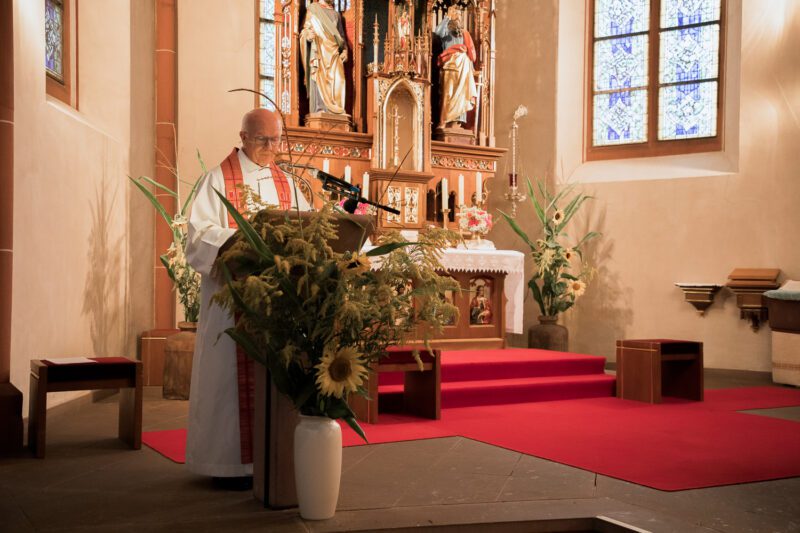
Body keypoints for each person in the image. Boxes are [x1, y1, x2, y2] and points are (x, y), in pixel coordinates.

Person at [185, 109, 311, 489]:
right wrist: (238, 242)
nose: (270, 148)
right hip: (233, 301)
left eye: (276, 140)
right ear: (242, 136)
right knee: (228, 378)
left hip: (278, 303)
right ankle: (227, 466)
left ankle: (272, 458)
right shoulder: (218, 181)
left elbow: (310, 230)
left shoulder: (288, 184)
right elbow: (197, 236)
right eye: (262, 140)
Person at [299, 0, 348, 115]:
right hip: (319, 51)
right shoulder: (313, 9)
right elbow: (305, 30)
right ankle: (320, 109)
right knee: (318, 77)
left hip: (334, 54)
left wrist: (345, 50)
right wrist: (307, 35)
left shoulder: (336, 14)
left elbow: (341, 36)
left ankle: (337, 110)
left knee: (339, 79)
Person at [434, 5, 477, 128]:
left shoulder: (464, 33)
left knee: (462, 95)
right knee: (448, 93)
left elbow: (471, 53)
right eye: (455, 14)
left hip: (463, 68)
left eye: (459, 14)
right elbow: (437, 32)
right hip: (450, 65)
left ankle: (457, 122)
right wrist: (447, 17)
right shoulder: (446, 30)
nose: (458, 16)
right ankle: (444, 120)